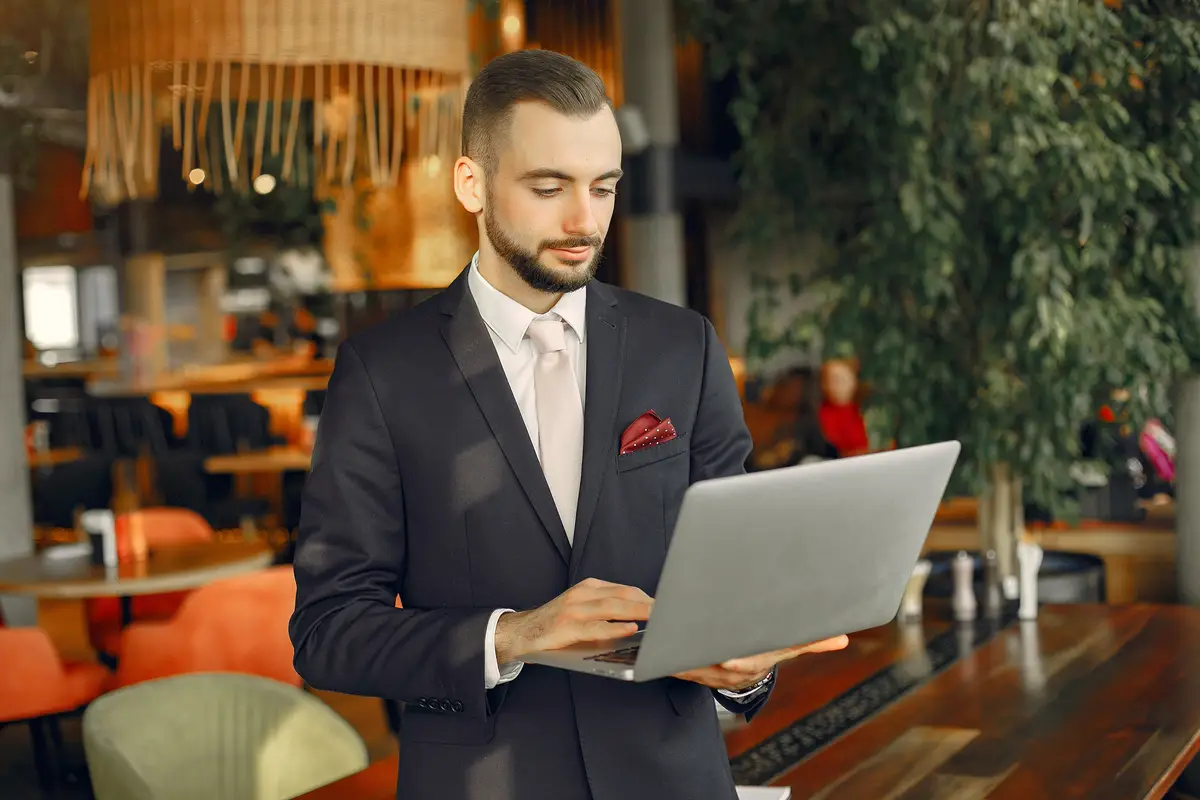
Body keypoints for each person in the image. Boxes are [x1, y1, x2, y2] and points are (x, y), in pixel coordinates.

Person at [288, 49, 848, 800]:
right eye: (549, 187)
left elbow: (729, 574)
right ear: (471, 184)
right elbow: (328, 631)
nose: (585, 220)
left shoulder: (684, 347)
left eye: (604, 188)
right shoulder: (382, 373)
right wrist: (512, 634)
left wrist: (746, 666)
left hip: (671, 779)